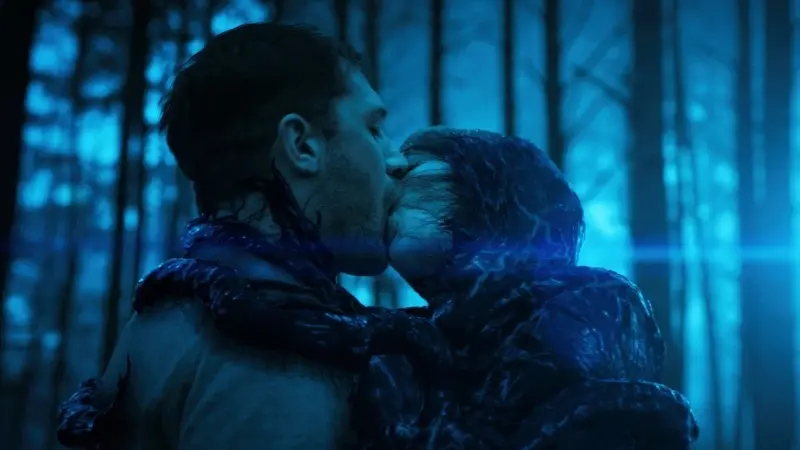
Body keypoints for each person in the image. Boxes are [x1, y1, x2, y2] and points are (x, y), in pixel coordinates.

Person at [55, 22, 445, 450]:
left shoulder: (168, 313)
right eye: (373, 129)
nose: (397, 160)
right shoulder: (282, 357)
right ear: (302, 145)